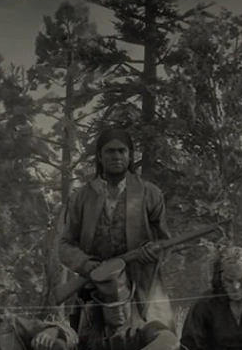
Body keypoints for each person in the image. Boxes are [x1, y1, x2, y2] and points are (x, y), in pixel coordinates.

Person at [57, 127, 175, 333]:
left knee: (163, 345)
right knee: (85, 346)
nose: (116, 156)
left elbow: (165, 242)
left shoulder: (151, 194)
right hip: (95, 290)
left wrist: (152, 252)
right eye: (110, 151)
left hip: (143, 290)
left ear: (130, 156)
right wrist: (87, 265)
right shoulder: (81, 197)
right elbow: (65, 245)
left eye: (122, 151)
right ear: (99, 156)